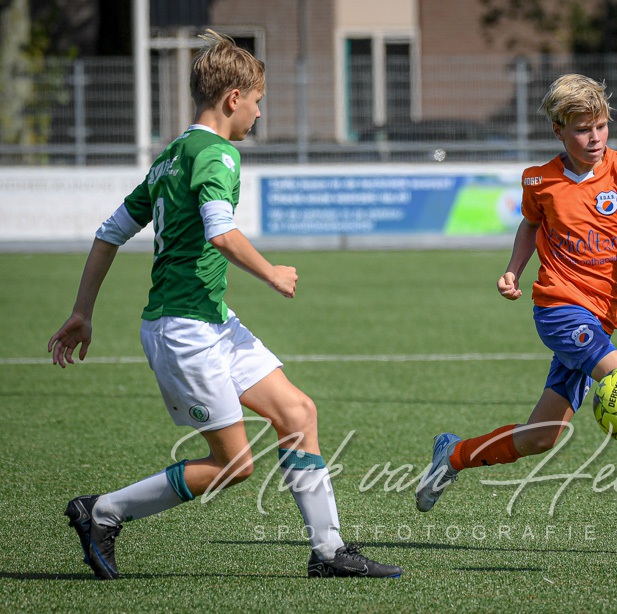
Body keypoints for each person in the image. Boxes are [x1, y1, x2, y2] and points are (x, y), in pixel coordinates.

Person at [49, 30, 401, 579]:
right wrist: (271, 273)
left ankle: (329, 552)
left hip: (211, 321)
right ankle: (103, 512)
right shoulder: (218, 154)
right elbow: (220, 231)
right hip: (184, 332)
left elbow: (108, 233)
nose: (259, 113)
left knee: (297, 412)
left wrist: (82, 311)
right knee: (233, 464)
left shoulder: (170, 157)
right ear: (234, 98)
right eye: (258, 101)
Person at [415, 74, 617, 545]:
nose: (594, 138)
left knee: (541, 436)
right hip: (559, 310)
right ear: (558, 130)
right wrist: (513, 270)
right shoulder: (540, 179)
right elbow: (531, 224)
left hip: (600, 315)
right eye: (582, 129)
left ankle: (454, 455)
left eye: (601, 126)